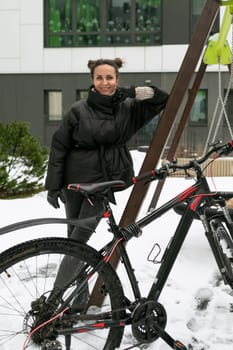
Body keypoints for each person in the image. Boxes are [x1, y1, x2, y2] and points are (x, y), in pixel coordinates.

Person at [45, 57, 169, 308]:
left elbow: (162, 98)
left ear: (117, 79)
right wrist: (53, 185)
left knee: (77, 243)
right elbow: (59, 147)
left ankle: (54, 301)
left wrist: (132, 92)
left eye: (109, 77)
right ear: (92, 80)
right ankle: (76, 304)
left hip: (101, 183)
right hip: (73, 183)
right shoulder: (78, 110)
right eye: (99, 78)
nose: (105, 82)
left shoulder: (129, 107)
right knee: (74, 242)